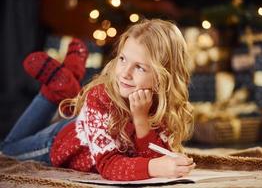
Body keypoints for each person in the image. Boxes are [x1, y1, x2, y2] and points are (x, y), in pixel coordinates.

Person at [0, 19, 195, 181]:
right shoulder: (100, 97)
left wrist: (140, 118)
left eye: (140, 67)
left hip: (83, 126)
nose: (125, 73)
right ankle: (53, 95)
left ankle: (60, 91)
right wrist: (155, 167)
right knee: (6, 151)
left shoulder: (161, 107)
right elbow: (109, 165)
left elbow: (154, 156)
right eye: (122, 59)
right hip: (58, 144)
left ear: (163, 77)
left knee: (10, 145)